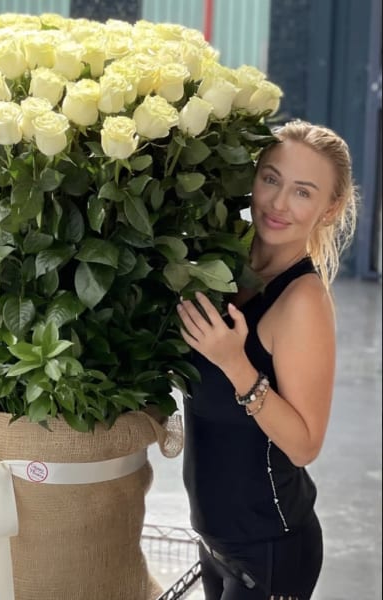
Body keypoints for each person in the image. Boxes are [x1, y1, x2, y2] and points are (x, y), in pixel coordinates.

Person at [176, 119, 358, 599]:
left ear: (328, 209)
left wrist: (236, 365)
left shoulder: (302, 302)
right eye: (271, 179)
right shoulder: (223, 265)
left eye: (302, 192)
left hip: (270, 551)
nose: (278, 203)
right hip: (216, 541)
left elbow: (304, 446)